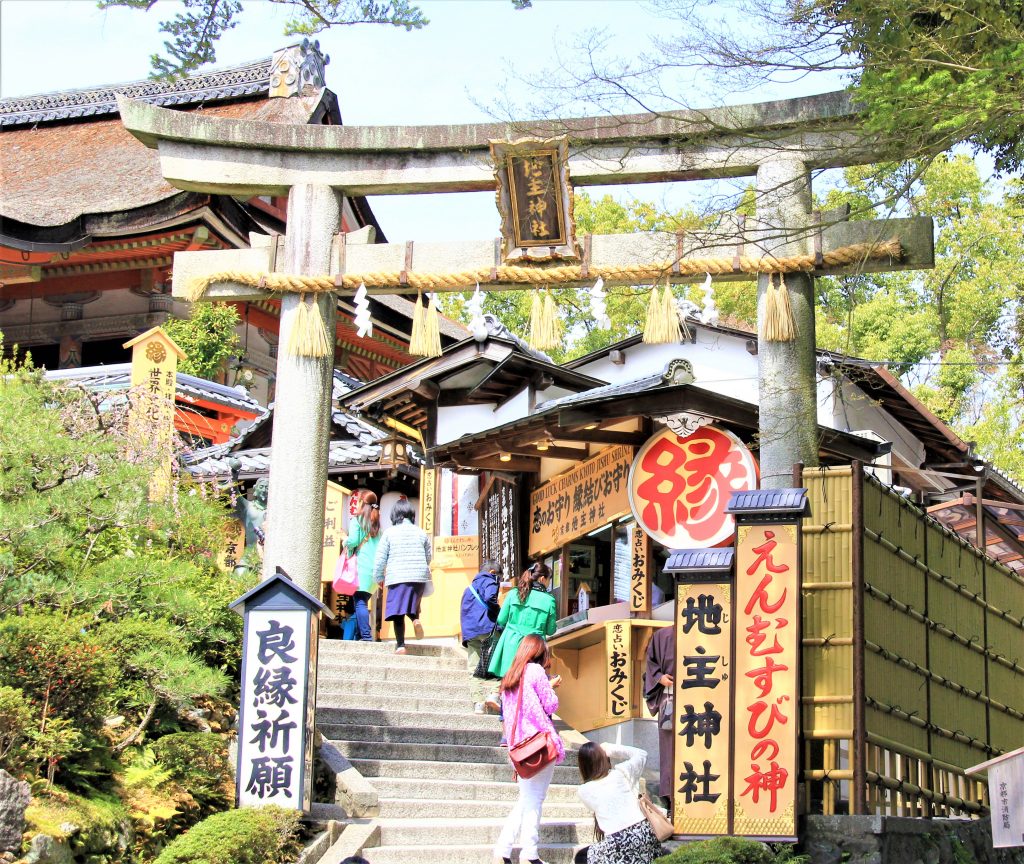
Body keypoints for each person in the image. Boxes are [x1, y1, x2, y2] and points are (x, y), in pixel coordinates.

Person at [493, 634, 564, 864]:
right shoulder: (535, 671)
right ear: (539, 653)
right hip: (538, 744)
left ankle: (502, 851)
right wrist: (551, 686)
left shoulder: (510, 677)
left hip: (518, 747)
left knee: (526, 799)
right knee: (535, 799)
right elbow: (551, 704)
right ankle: (529, 854)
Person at [576, 742, 661, 864]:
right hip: (646, 835)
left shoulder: (584, 791)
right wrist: (612, 749)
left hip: (619, 842)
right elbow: (641, 754)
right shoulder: (622, 773)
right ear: (605, 758)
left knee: (581, 857)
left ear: (583, 765)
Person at [373, 497, 432, 654]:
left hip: (397, 576)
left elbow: (380, 557)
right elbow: (428, 557)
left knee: (397, 611)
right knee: (411, 605)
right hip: (418, 577)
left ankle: (401, 645)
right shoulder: (421, 532)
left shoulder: (389, 533)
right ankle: (415, 619)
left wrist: (378, 577)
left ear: (394, 515)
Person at [486, 562, 557, 684]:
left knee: (509, 682)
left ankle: (498, 698)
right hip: (534, 648)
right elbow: (551, 630)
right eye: (549, 579)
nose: (549, 583)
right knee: (529, 685)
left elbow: (501, 620)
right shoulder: (549, 600)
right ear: (542, 579)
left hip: (510, 645)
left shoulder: (514, 593)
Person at [459, 558, 502, 714]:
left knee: (474, 667)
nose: (499, 580)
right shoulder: (489, 580)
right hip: (487, 629)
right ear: (492, 572)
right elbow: (491, 598)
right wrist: (499, 613)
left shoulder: (467, 589)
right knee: (498, 661)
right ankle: (494, 695)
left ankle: (478, 703)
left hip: (471, 633)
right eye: (499, 576)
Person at [643, 625, 675, 811]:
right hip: (670, 698)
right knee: (670, 748)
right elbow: (652, 662)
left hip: (702, 698)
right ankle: (671, 796)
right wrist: (659, 678)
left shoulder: (703, 632)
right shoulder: (662, 635)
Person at [344, 489, 381, 641]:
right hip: (374, 569)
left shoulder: (357, 521)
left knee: (359, 602)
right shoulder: (377, 525)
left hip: (360, 566)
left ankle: (366, 636)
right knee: (363, 600)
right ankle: (361, 634)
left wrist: (344, 540)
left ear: (362, 503)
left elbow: (352, 541)